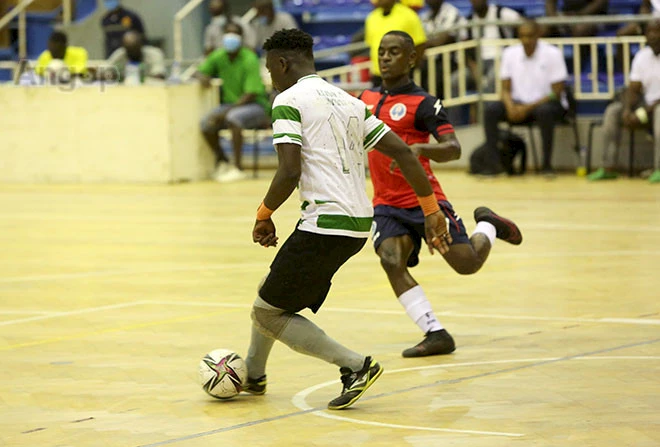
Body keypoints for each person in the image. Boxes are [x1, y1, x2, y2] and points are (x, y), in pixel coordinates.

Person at [243, 29, 452, 410]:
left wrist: (264, 214)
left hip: (324, 224)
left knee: (266, 312)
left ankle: (355, 366)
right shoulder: (349, 101)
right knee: (270, 290)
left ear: (282, 64)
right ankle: (253, 375)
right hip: (357, 224)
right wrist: (432, 210)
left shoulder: (288, 100)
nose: (271, 78)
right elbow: (406, 154)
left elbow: (289, 170)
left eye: (271, 69)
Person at [360, 31, 522, 357]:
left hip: (425, 202)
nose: (386, 57)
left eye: (394, 52)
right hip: (386, 204)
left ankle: (488, 225)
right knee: (391, 259)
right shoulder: (364, 99)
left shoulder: (424, 103)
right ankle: (435, 332)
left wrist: (419, 148)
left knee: (467, 264)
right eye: (382, 52)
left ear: (411, 59)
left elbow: (454, 148)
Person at [482, 19, 568, 176]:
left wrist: (527, 108)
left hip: (546, 103)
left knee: (545, 112)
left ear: (538, 35)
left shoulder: (553, 53)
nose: (526, 40)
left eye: (529, 36)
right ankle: (493, 165)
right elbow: (505, 89)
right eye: (522, 36)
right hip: (518, 104)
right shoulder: (509, 53)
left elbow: (555, 92)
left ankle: (546, 166)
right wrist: (510, 107)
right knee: (491, 110)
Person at [194, 22, 270, 182]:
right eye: (227, 34)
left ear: (241, 38)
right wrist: (203, 77)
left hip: (255, 105)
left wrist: (225, 113)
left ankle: (238, 168)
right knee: (206, 124)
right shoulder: (219, 55)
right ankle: (223, 161)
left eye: (234, 35)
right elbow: (199, 71)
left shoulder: (249, 58)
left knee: (233, 118)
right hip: (230, 105)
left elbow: (251, 93)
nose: (230, 38)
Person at [588, 19, 660, 184]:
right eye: (650, 32)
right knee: (614, 111)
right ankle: (608, 168)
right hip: (646, 107)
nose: (653, 36)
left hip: (655, 109)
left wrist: (644, 111)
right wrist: (627, 110)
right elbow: (633, 88)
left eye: (657, 31)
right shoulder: (642, 57)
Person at [460, 0, 522, 94]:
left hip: (501, 59)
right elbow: (465, 49)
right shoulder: (468, 21)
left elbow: (525, 25)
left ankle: (486, 109)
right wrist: (472, 66)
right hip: (479, 62)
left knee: (492, 78)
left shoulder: (500, 13)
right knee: (455, 81)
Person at [364, 0, 427, 87]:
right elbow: (371, 44)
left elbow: (419, 44)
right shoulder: (372, 17)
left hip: (401, 75)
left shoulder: (409, 15)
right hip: (378, 75)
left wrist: (410, 69)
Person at [420, 0, 467, 99]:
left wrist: (425, 44)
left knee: (433, 79)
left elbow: (442, 40)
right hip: (431, 61)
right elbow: (420, 42)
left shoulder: (451, 12)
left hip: (452, 61)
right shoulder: (424, 17)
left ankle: (433, 111)